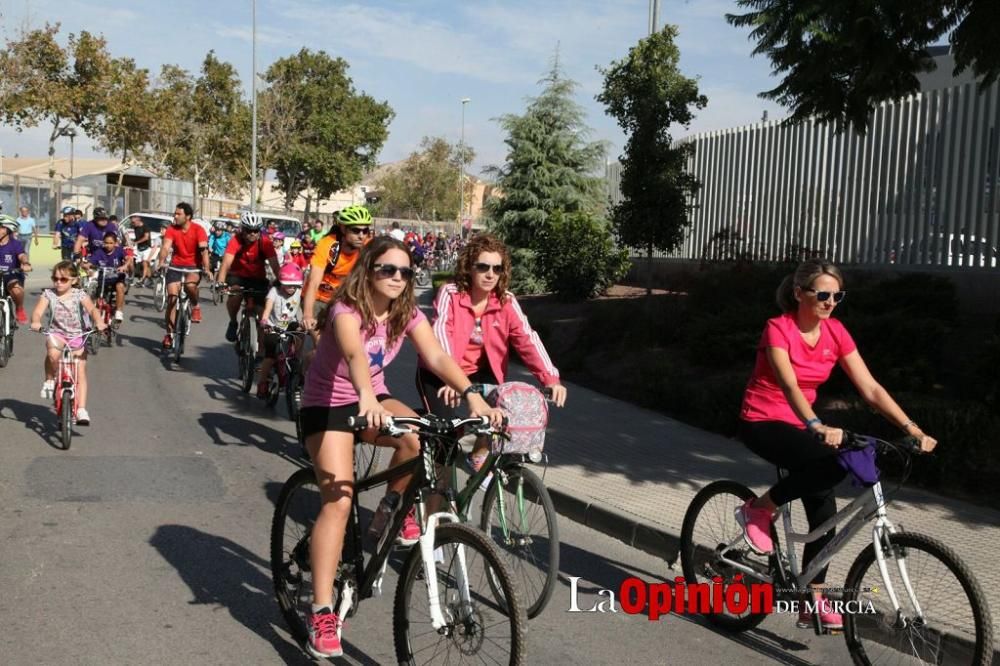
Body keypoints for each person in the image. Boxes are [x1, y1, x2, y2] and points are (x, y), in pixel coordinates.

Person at [297, 236, 503, 658]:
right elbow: (354, 355)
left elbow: (437, 357)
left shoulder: (405, 312)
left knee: (418, 437)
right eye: (387, 270)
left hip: (372, 399)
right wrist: (367, 400)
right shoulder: (345, 310)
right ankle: (320, 612)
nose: (396, 278)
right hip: (329, 406)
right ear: (368, 270)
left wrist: (471, 395)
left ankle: (390, 508)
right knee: (338, 500)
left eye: (405, 272)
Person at [737, 258, 938, 632]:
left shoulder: (836, 332)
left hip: (804, 426)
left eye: (837, 296)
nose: (831, 302)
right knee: (832, 464)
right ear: (799, 293)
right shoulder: (778, 329)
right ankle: (759, 509)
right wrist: (815, 423)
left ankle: (812, 599)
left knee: (825, 509)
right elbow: (789, 385)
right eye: (823, 294)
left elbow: (872, 389)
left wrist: (913, 429)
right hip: (763, 420)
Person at [417, 233, 566, 471]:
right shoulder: (451, 294)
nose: (490, 274)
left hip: (481, 372)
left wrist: (550, 378)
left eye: (497, 269)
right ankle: (430, 494)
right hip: (441, 373)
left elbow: (527, 339)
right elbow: (440, 336)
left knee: (498, 420)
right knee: (445, 438)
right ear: (469, 267)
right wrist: (451, 380)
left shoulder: (506, 301)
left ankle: (476, 461)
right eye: (483, 267)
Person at [30, 261, 107, 425]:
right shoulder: (48, 294)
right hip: (56, 333)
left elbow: (93, 309)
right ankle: (50, 379)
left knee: (80, 371)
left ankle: (81, 409)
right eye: (55, 278)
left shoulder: (80, 294)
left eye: (63, 279)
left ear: (73, 280)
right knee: (52, 354)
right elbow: (37, 312)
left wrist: (99, 321)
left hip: (78, 335)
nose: (58, 282)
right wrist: (36, 321)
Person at [301, 205, 372, 335]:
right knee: (322, 348)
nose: (361, 236)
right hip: (319, 299)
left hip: (343, 300)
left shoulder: (368, 245)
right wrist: (307, 315)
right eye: (356, 230)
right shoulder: (327, 244)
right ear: (343, 228)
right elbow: (314, 282)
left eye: (365, 230)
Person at [217, 212, 281, 343]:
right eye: (249, 230)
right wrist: (220, 282)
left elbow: (275, 265)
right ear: (243, 229)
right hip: (237, 276)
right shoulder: (235, 240)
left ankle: (259, 351)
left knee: (263, 312)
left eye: (256, 230)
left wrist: (281, 282)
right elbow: (226, 263)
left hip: (258, 278)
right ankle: (233, 322)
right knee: (235, 294)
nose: (253, 233)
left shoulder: (265, 242)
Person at [157, 203, 209, 349]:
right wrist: (161, 261)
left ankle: (195, 305)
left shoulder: (199, 230)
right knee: (172, 298)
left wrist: (207, 269)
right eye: (175, 213)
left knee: (190, 286)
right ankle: (169, 334)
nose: (175, 216)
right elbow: (166, 247)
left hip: (193, 267)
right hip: (175, 266)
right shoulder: (172, 229)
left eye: (178, 214)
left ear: (188, 216)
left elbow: (204, 251)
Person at [257, 263, 304, 398]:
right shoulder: (274, 292)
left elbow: (305, 308)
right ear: (281, 283)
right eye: (288, 285)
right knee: (270, 357)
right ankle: (262, 382)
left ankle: (295, 358)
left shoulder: (300, 292)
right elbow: (267, 308)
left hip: (290, 326)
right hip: (273, 327)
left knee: (300, 331)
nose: (291, 288)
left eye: (295, 285)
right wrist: (265, 321)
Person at [84, 231, 131, 324]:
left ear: (115, 243)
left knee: (120, 287)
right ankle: (97, 316)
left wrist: (125, 266)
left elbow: (128, 259)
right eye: (106, 243)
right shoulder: (99, 252)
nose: (108, 245)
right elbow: (91, 262)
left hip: (117, 277)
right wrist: (87, 266)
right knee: (98, 297)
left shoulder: (119, 250)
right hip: (104, 278)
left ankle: (119, 311)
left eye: (111, 243)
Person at [0, 219, 32, 324]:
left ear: (7, 230)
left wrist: (25, 263)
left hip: (12, 275)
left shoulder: (15, 244)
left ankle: (19, 309)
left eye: (1, 227)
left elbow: (22, 255)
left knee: (16, 289)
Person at [129, 216, 154, 286]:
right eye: (132, 222)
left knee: (144, 263)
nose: (132, 224)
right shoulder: (135, 228)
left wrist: (136, 242)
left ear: (138, 221)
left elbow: (146, 237)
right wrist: (133, 241)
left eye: (133, 222)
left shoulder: (146, 227)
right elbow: (137, 237)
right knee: (143, 265)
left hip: (146, 248)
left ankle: (142, 280)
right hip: (139, 248)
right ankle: (150, 279)